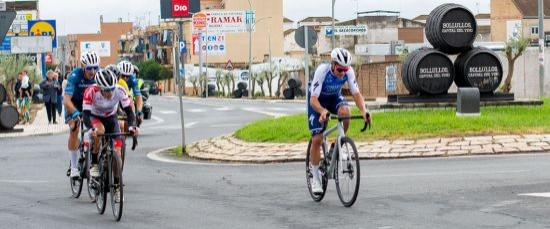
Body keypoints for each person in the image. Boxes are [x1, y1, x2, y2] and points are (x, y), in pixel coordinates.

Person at [307, 48, 371, 194]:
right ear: (333, 64)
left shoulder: (348, 71)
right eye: (340, 69)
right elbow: (313, 100)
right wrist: (322, 111)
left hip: (334, 97)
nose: (343, 72)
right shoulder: (322, 71)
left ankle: (337, 144)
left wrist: (363, 110)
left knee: (345, 112)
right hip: (317, 100)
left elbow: (356, 93)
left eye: (345, 69)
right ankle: (315, 177)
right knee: (317, 139)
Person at [82, 69, 138, 202]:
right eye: (107, 90)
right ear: (100, 88)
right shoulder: (91, 91)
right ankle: (95, 163)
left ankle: (117, 187)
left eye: (112, 89)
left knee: (117, 154)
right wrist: (91, 129)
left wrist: (132, 127)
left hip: (111, 118)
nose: (110, 93)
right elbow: (85, 114)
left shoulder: (120, 90)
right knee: (99, 131)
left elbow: (129, 112)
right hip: (94, 117)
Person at [64, 51, 100, 178]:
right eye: (89, 68)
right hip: (74, 103)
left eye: (95, 68)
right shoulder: (75, 75)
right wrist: (74, 112)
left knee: (98, 128)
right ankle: (73, 167)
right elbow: (66, 99)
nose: (92, 71)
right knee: (74, 128)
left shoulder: (99, 75)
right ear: (83, 67)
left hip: (89, 103)